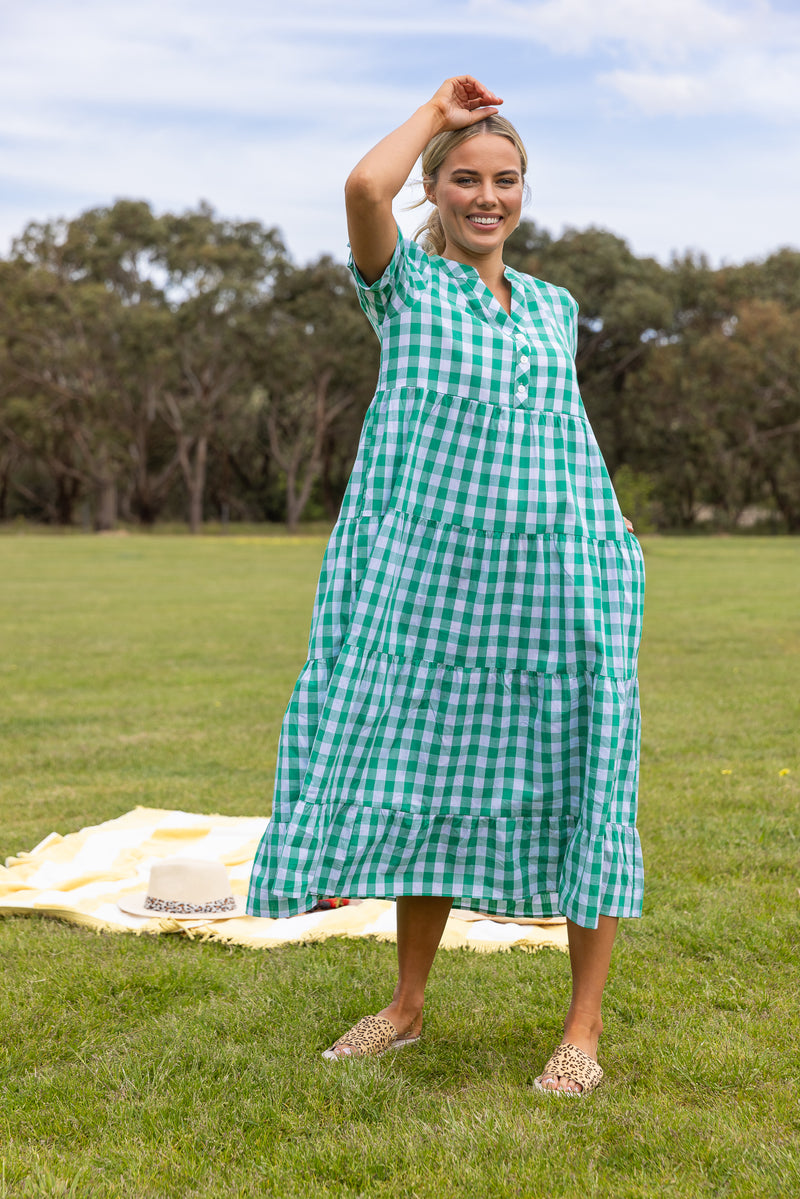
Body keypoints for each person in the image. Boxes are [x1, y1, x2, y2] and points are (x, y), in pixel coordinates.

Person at [247, 76, 645, 1097]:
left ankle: (581, 1031)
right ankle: (405, 1005)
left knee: (582, 782)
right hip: (437, 599)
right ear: (433, 190)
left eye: (503, 180)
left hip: (556, 588)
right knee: (429, 786)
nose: (486, 196)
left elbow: (566, 441)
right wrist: (436, 111)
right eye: (464, 180)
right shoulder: (406, 288)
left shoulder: (553, 308)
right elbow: (359, 187)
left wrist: (610, 538)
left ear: (523, 190)